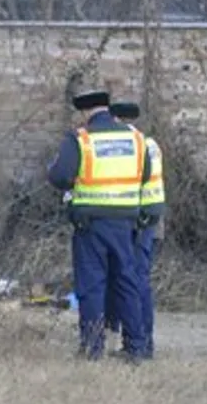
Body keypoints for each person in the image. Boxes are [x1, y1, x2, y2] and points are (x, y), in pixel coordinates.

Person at [46, 90, 150, 362]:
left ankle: (93, 347)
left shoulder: (81, 139)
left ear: (85, 112)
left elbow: (60, 176)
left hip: (91, 224)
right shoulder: (136, 138)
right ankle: (135, 347)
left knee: (92, 285)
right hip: (126, 222)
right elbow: (145, 174)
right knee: (126, 282)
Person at [106, 100, 163, 359]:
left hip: (136, 220)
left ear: (116, 119)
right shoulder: (149, 143)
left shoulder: (129, 145)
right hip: (150, 219)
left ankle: (138, 344)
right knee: (137, 280)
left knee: (133, 280)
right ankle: (141, 341)